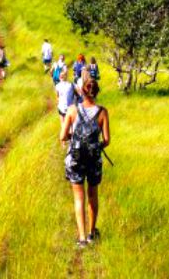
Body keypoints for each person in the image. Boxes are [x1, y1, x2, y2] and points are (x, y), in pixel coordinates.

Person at [60, 77, 110, 248]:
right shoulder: (103, 112)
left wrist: (72, 139)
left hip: (76, 159)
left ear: (81, 91)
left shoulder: (73, 110)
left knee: (79, 198)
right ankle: (91, 233)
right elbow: (107, 140)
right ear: (96, 92)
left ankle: (81, 239)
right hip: (93, 160)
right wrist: (95, 146)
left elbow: (62, 136)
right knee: (93, 195)